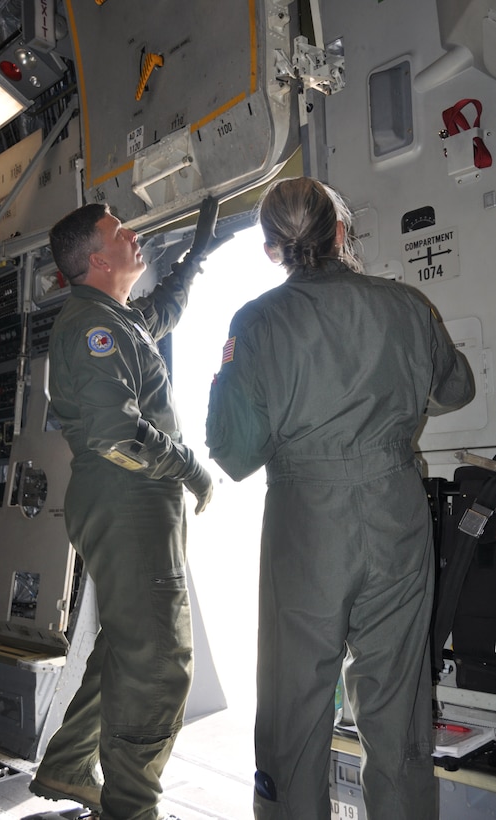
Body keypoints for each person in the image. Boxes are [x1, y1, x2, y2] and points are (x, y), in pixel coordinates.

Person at [205, 177, 475, 820]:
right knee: (398, 709)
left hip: (307, 524)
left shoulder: (257, 322)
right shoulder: (409, 307)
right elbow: (456, 390)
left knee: (295, 706)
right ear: (341, 232)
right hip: (396, 517)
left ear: (272, 249)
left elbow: (235, 452)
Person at [29, 198, 221, 820]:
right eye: (122, 232)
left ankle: (68, 765)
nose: (135, 236)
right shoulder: (93, 329)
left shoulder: (113, 317)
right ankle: (131, 807)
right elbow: (117, 434)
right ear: (96, 257)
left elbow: (156, 317)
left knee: (127, 645)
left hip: (128, 502)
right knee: (159, 663)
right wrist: (192, 468)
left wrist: (190, 265)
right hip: (130, 499)